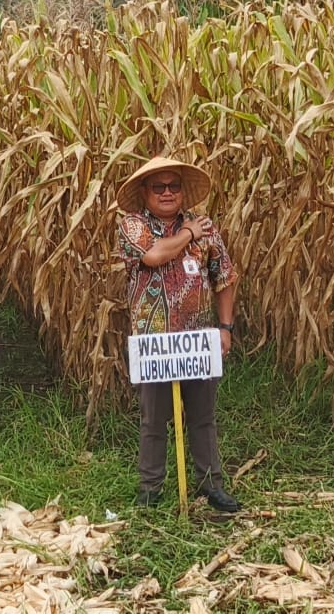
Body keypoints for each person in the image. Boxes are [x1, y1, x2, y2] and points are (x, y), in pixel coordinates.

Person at [116, 156, 241, 513]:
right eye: (159, 187)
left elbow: (225, 277)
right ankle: (150, 488)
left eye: (174, 186)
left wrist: (225, 327)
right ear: (145, 192)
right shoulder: (134, 226)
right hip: (153, 341)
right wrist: (188, 234)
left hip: (198, 340)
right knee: (154, 418)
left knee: (202, 416)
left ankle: (209, 485)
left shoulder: (206, 227)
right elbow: (154, 256)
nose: (167, 193)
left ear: (183, 192)